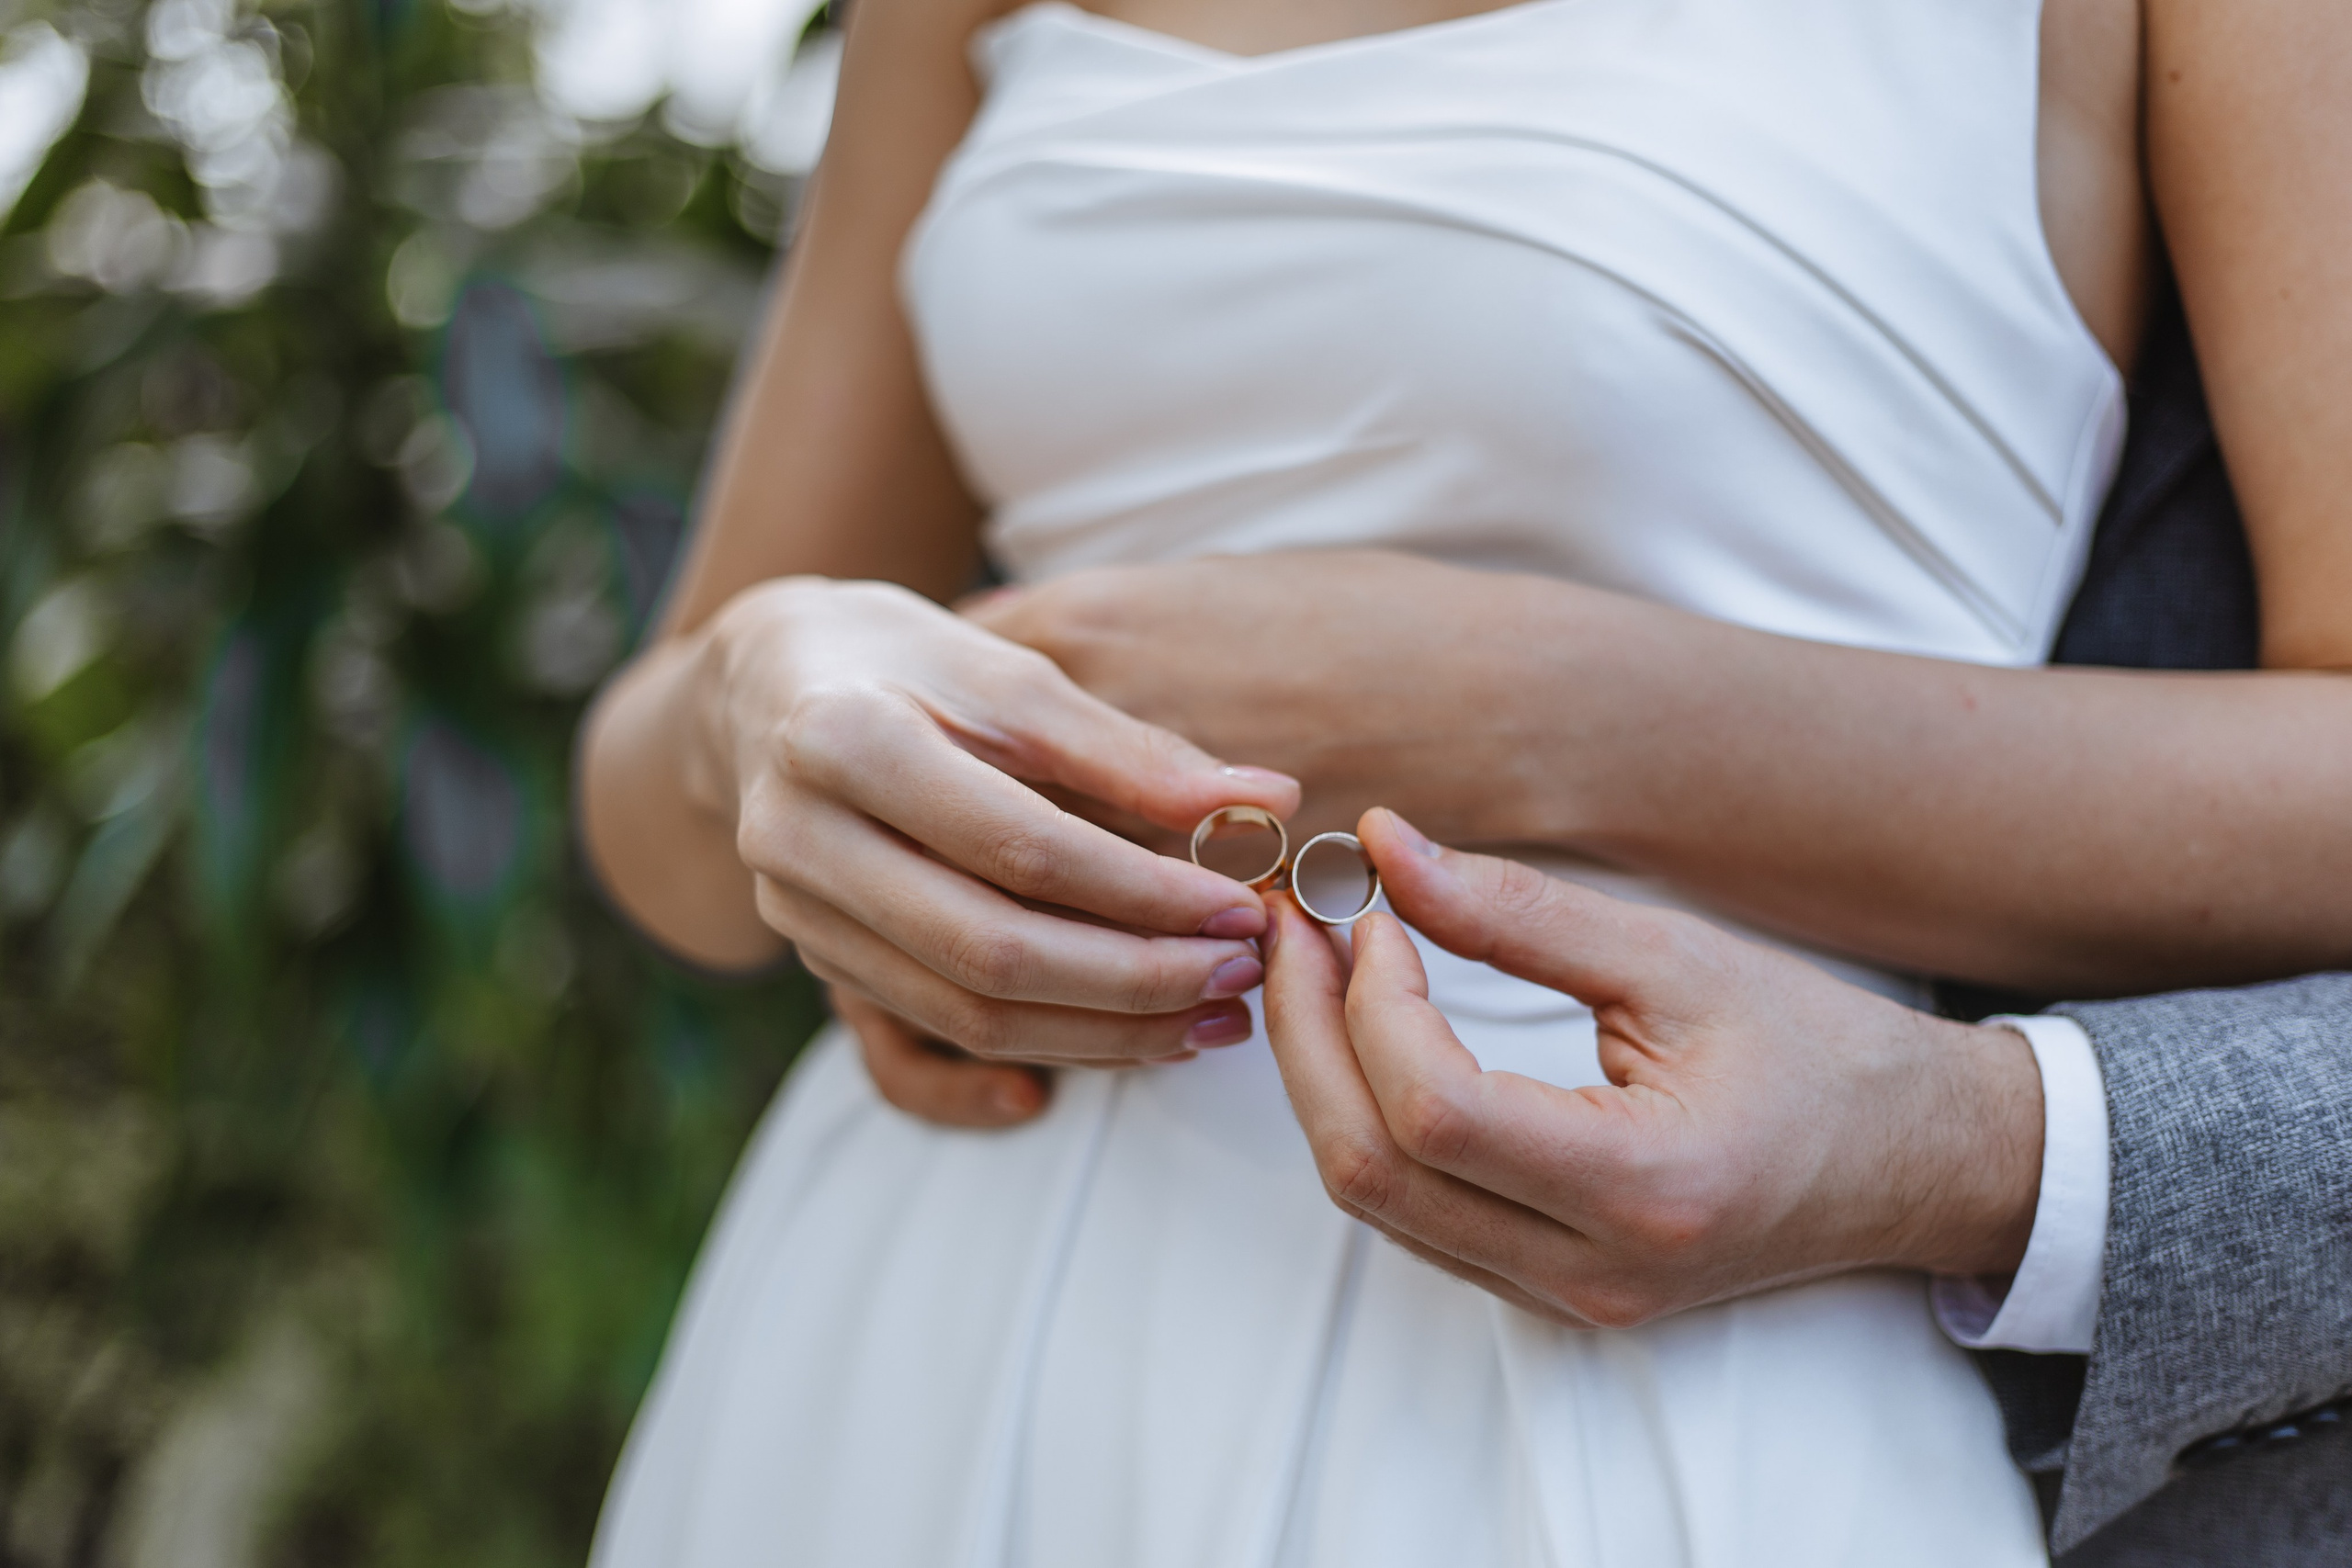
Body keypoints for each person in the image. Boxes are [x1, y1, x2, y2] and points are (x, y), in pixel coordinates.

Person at [575, 0, 2352, 1561]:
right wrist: (757, 704)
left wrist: (1557, 713)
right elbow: (658, 818)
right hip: (940, 1299)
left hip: (1662, 1292)